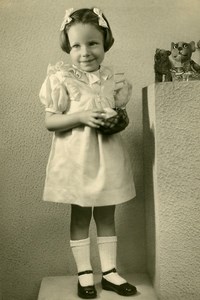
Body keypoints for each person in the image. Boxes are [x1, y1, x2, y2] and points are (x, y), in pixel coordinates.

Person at [39, 7, 137, 299]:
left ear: (105, 42)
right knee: (81, 216)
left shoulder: (112, 79)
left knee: (107, 214)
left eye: (93, 43)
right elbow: (50, 121)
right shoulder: (61, 77)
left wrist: (118, 118)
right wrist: (81, 117)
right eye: (76, 45)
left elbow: (116, 112)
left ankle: (109, 272)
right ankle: (85, 273)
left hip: (108, 157)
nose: (85, 52)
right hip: (78, 159)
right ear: (67, 48)